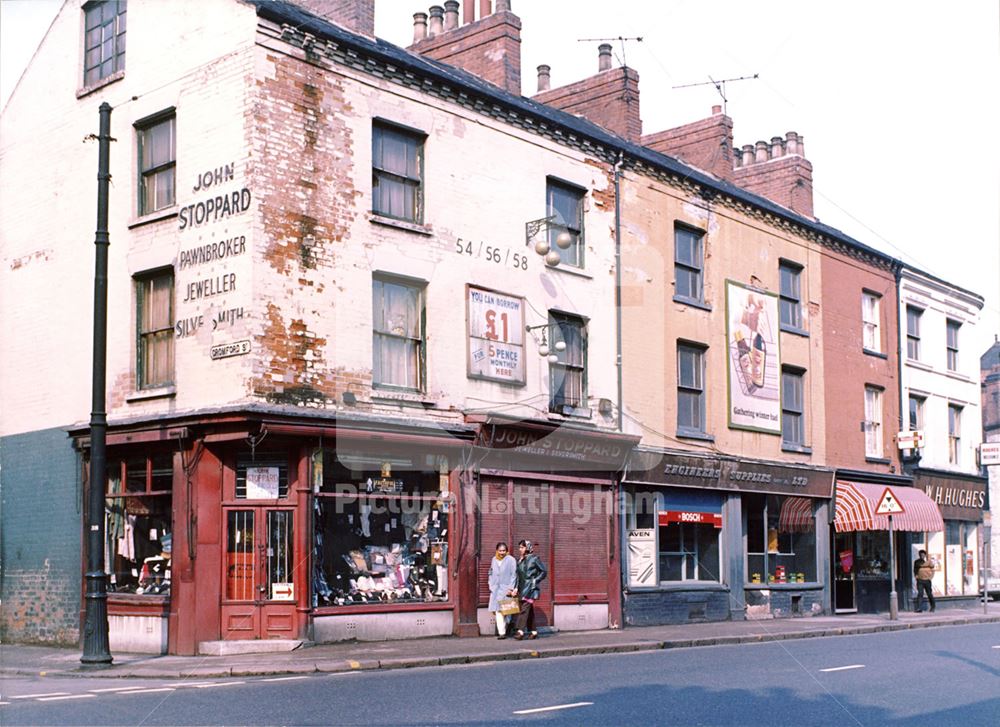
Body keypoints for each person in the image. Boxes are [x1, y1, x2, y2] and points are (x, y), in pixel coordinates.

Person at [512, 539, 547, 640]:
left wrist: (535, 580)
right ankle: (534, 631)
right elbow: (519, 576)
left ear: (527, 548)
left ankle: (520, 631)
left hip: (531, 589)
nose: (520, 549)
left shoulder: (535, 559)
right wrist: (515, 588)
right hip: (522, 588)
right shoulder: (520, 560)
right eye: (519, 547)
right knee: (528, 610)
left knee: (524, 610)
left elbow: (543, 571)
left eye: (522, 547)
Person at [487, 542, 517, 639]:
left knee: (507, 611)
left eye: (504, 550)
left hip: (506, 588)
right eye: (500, 550)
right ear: (497, 551)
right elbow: (490, 572)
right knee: (498, 611)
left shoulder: (511, 560)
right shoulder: (494, 559)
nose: (502, 553)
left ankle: (508, 625)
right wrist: (490, 585)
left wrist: (511, 588)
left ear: (506, 551)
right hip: (496, 589)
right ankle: (502, 633)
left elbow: (514, 575)